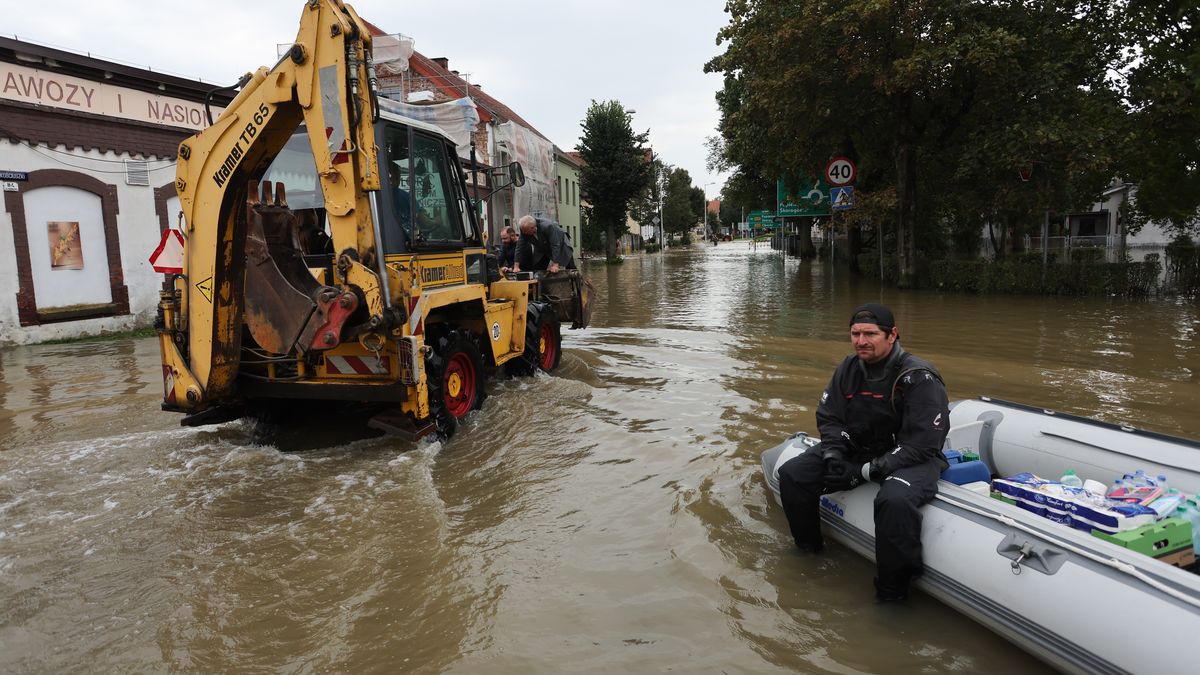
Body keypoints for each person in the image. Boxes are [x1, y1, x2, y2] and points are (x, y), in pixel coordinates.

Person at [776, 303, 949, 602]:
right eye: (855, 334)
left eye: (870, 333)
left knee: (894, 501)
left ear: (892, 335)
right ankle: (809, 551)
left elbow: (924, 443)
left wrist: (867, 471)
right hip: (860, 448)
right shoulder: (848, 368)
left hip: (912, 457)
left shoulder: (918, 376)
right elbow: (829, 417)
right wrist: (833, 454)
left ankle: (893, 592)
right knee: (793, 474)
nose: (861, 341)